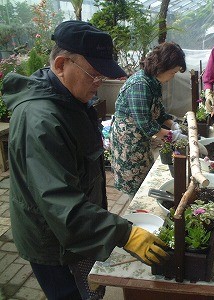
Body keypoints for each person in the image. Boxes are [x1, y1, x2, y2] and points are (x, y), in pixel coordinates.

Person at [1, 20, 169, 300]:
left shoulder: (69, 100)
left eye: (102, 75)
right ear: (60, 65)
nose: (98, 83)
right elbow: (60, 203)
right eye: (93, 74)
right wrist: (124, 234)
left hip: (76, 234)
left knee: (90, 290)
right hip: (52, 242)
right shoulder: (40, 120)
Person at [110, 42, 187, 196]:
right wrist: (175, 137)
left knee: (143, 176)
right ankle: (135, 215)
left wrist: (173, 126)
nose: (172, 77)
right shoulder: (140, 84)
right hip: (128, 141)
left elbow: (159, 113)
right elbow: (146, 125)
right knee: (135, 183)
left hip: (139, 138)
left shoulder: (153, 81)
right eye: (172, 72)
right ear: (162, 66)